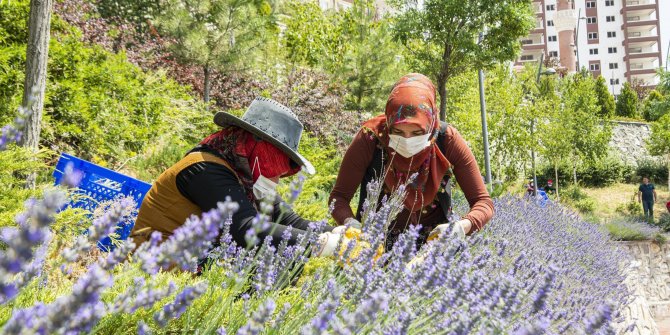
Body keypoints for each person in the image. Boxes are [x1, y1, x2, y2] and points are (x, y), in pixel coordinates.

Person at [130, 97, 359, 260]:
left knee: (285, 259)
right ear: (256, 147)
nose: (277, 178)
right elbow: (244, 228)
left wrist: (337, 234)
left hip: (194, 263)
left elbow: (289, 221)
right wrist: (321, 245)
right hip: (159, 268)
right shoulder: (205, 170)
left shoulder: (246, 174)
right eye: (275, 165)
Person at [329, 73, 494, 249]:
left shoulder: (447, 140)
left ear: (430, 126)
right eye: (398, 133)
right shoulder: (371, 139)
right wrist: (351, 225)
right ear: (389, 123)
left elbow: (483, 203)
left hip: (434, 245)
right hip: (374, 244)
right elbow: (338, 198)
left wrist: (461, 227)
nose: (407, 140)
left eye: (417, 134)